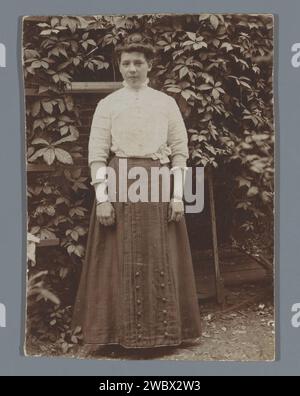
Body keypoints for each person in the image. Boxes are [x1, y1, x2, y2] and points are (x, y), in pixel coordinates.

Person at [72, 33, 201, 352]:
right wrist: (103, 198)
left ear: (149, 65)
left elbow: (180, 152)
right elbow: (97, 155)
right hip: (120, 181)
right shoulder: (108, 104)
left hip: (157, 181)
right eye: (126, 63)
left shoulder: (165, 102)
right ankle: (116, 335)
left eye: (138, 63)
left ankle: (166, 336)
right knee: (117, 257)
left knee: (161, 254)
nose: (132, 69)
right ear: (119, 65)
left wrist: (176, 195)